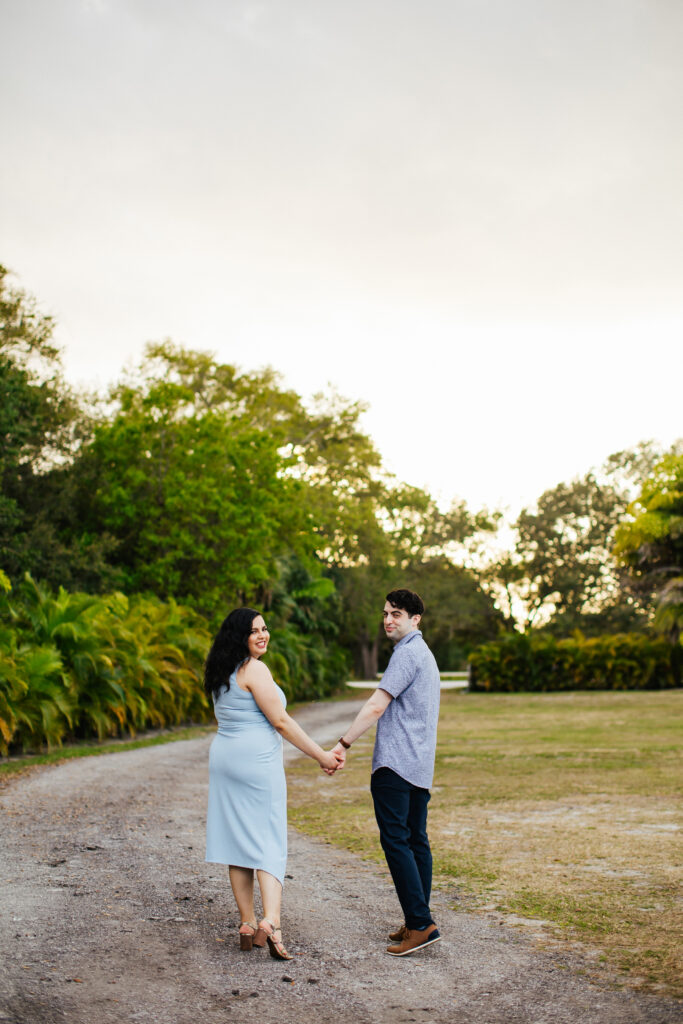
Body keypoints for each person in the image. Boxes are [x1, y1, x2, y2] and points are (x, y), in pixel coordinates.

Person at [204, 607, 341, 960]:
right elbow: (280, 721)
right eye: (254, 631)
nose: (263, 635)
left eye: (265, 629)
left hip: (225, 758)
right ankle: (273, 922)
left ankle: (248, 923)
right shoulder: (254, 669)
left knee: (237, 840)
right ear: (240, 636)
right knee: (269, 838)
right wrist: (322, 756)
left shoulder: (221, 669)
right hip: (256, 762)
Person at [330, 589, 441, 957]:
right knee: (415, 841)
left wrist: (343, 744)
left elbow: (377, 705)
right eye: (386, 614)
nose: (388, 620)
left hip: (395, 765)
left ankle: (420, 924)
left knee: (397, 841)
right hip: (419, 766)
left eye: (396, 613)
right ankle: (417, 919)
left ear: (415, 619)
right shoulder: (424, 654)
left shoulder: (407, 653)